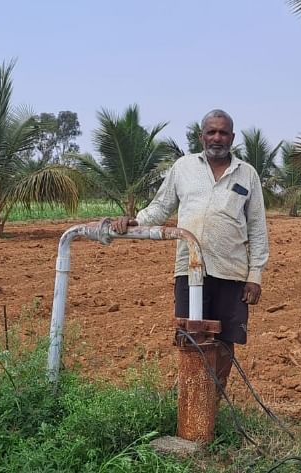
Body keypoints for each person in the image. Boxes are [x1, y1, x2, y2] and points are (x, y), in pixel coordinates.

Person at [111, 108, 269, 391]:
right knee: (190, 337)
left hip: (231, 272)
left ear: (232, 137)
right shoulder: (183, 168)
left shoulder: (247, 174)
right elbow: (161, 206)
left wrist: (255, 275)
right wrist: (136, 221)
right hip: (189, 269)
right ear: (202, 136)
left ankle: (213, 402)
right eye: (212, 131)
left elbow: (257, 227)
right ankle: (191, 401)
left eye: (223, 132)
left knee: (223, 341)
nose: (217, 137)